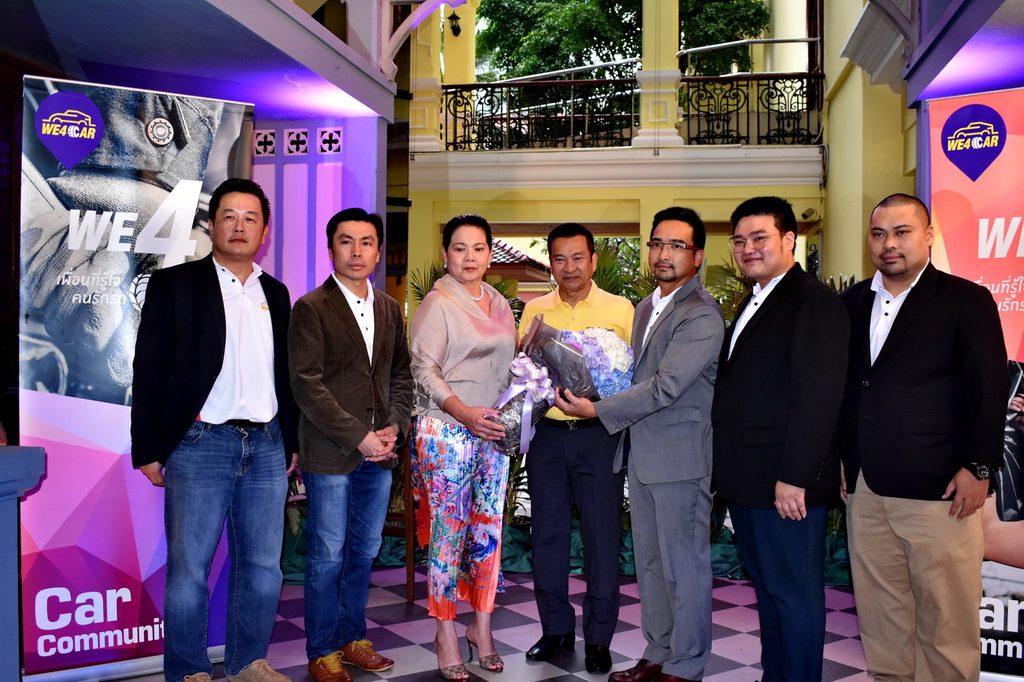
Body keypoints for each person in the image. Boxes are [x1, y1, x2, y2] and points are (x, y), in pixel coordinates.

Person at [131, 178, 297, 682]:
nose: (239, 226)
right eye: (229, 216)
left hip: (266, 445)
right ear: (211, 224)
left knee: (264, 567)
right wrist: (147, 448)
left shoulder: (276, 293)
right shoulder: (175, 285)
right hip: (200, 443)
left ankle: (248, 662)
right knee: (189, 569)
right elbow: (149, 369)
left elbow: (285, 375)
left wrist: (291, 442)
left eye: (250, 218)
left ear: (264, 231)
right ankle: (188, 670)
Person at [839, 193, 1008, 681]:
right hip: (867, 489)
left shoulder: (965, 299)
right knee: (882, 615)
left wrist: (979, 467)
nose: (888, 244)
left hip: (941, 489)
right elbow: (845, 388)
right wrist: (844, 460)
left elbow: (989, 388)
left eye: (902, 232)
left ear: (928, 236)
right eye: (878, 234)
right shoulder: (851, 303)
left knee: (946, 619)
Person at [557, 207, 724, 682]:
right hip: (642, 456)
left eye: (677, 246)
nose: (664, 253)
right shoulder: (648, 306)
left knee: (683, 568)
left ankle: (686, 665)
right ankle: (658, 651)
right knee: (650, 564)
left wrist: (598, 410)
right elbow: (633, 376)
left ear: (697, 256)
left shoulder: (701, 314)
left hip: (680, 460)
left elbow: (666, 386)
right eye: (657, 243)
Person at [711, 196, 849, 682]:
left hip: (786, 486)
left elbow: (819, 397)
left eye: (760, 237)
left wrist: (796, 477)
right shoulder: (757, 298)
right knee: (770, 593)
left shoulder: (813, 302)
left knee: (794, 596)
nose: (748, 248)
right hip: (748, 481)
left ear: (789, 239)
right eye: (740, 240)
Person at [288, 208, 414, 682]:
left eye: (366, 242)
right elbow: (307, 385)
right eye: (346, 241)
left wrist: (395, 427)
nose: (357, 251)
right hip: (331, 452)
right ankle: (322, 649)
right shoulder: (310, 308)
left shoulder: (389, 308)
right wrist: (360, 437)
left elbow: (401, 375)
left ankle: (351, 638)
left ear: (378, 252)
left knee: (363, 551)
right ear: (331, 249)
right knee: (327, 555)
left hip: (379, 454)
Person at [518, 223, 634, 674]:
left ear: (593, 260)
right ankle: (555, 630)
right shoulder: (534, 310)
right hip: (547, 437)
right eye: (560, 258)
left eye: (578, 257)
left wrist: (601, 403)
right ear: (550, 262)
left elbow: (633, 376)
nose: (569, 267)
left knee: (601, 537)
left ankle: (599, 638)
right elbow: (523, 372)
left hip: (598, 437)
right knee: (547, 536)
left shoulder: (621, 309)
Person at [409, 214, 517, 681]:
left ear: (489, 254)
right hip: (447, 430)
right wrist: (463, 411)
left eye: (478, 248)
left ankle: (482, 628)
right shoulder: (438, 303)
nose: (469, 257)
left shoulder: (500, 303)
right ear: (446, 254)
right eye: (459, 248)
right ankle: (445, 632)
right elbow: (423, 370)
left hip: (492, 432)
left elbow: (511, 368)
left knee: (488, 531)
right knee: (448, 535)